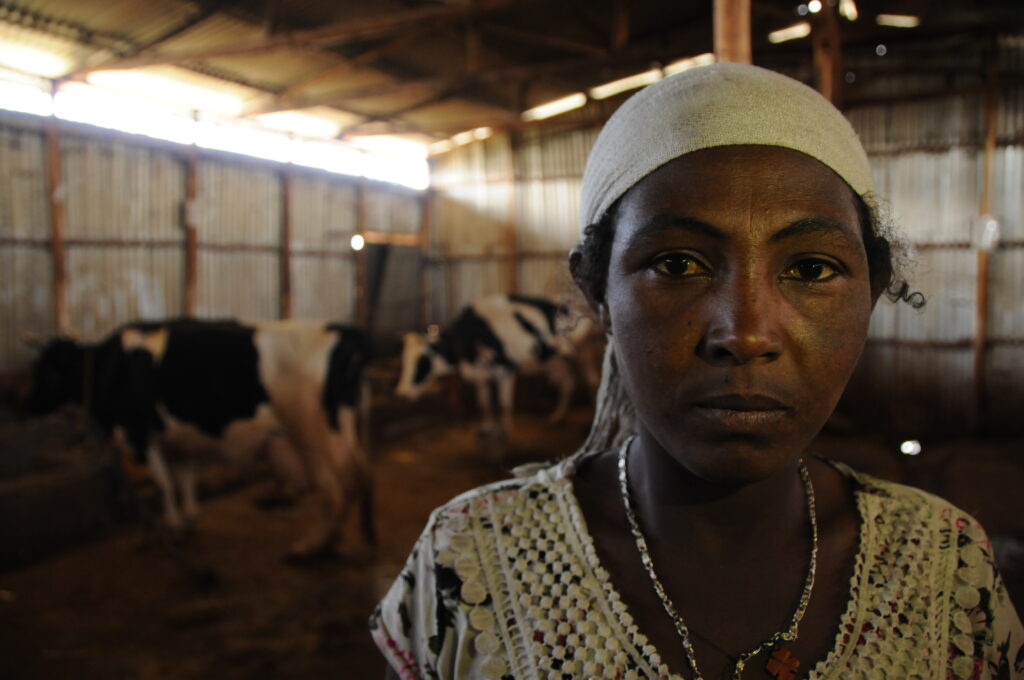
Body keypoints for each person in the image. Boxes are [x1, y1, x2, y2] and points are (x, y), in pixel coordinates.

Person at [369, 63, 1023, 680]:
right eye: (678, 264)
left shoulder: (946, 568)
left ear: (873, 292)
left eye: (812, 268)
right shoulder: (471, 560)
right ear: (597, 293)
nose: (745, 333)